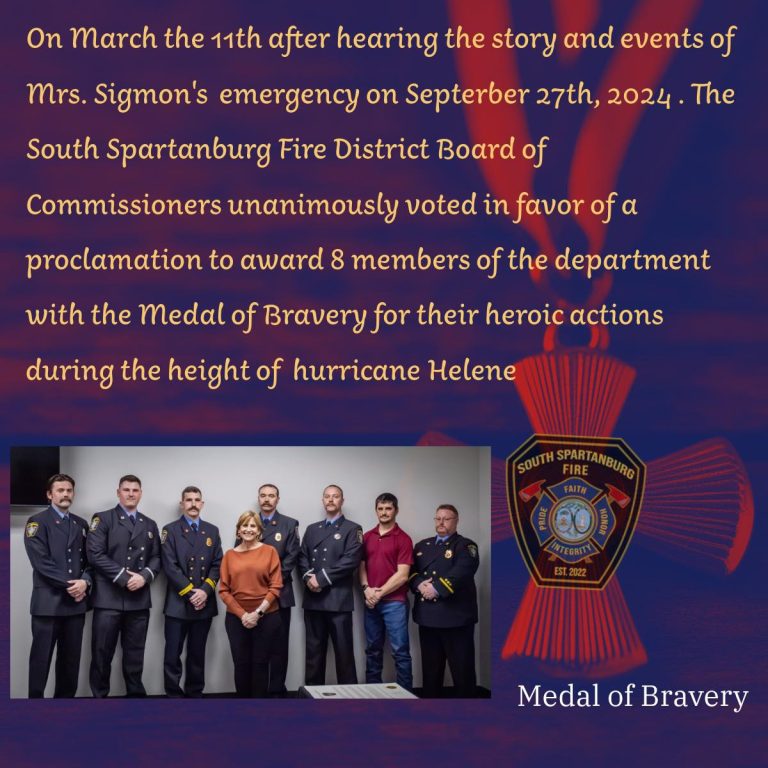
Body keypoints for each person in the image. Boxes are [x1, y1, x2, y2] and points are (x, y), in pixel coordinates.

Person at [87, 474, 161, 697]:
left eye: (135, 490)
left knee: (135, 656)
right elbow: (94, 555)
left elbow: (157, 557)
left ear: (141, 493)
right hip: (108, 599)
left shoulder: (149, 524)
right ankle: (100, 699)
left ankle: (135, 700)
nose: (131, 494)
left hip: (138, 600)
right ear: (118, 492)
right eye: (126, 489)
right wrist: (123, 576)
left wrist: (145, 576)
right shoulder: (103, 519)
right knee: (101, 655)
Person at [24, 473, 91, 698]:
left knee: (70, 665)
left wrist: (86, 582)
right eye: (60, 490)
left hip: (75, 606)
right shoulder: (36, 522)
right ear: (49, 494)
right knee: (40, 662)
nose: (65, 494)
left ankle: (64, 712)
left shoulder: (81, 524)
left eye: (69, 490)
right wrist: (73, 586)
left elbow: (91, 562)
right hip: (48, 605)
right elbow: (42, 563)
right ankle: (34, 713)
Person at [410, 504, 479, 698]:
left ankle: (469, 715)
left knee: (462, 672)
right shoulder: (422, 546)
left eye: (446, 519)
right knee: (431, 673)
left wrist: (436, 589)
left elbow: (463, 572)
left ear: (456, 521)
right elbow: (412, 571)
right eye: (438, 518)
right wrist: (419, 585)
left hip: (456, 618)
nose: (441, 522)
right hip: (428, 618)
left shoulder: (466, 545)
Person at [160, 486, 223, 697]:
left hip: (204, 603)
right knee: (172, 654)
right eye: (189, 500)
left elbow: (217, 563)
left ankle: (195, 694)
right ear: (182, 504)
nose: (193, 504)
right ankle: (174, 697)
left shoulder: (212, 530)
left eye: (197, 500)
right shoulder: (170, 530)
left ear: (202, 504)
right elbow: (170, 566)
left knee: (197, 653)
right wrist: (191, 593)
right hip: (178, 604)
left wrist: (205, 591)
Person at [299, 484, 363, 685]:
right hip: (313, 599)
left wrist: (321, 579)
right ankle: (312, 698)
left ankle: (349, 701)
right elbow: (302, 557)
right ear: (322, 500)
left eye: (335, 496)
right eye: (327, 496)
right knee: (313, 654)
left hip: (338, 601)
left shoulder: (353, 529)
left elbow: (351, 560)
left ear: (342, 501)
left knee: (344, 655)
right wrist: (310, 579)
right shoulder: (312, 529)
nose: (331, 500)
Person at [219, 511, 283, 697]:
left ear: (259, 530)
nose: (248, 529)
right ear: (238, 531)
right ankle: (243, 710)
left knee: (261, 664)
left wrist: (258, 613)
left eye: (252, 526)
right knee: (241, 664)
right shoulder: (229, 555)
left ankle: (260, 711)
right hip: (236, 619)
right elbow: (223, 590)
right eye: (244, 525)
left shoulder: (270, 551)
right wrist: (243, 615)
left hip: (267, 617)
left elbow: (276, 585)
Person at [360, 492, 414, 690]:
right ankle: (373, 694)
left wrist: (378, 593)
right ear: (376, 511)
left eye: (388, 508)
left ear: (396, 510)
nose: (384, 512)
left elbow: (403, 575)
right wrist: (366, 589)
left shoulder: (404, 539)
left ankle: (406, 696)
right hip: (370, 601)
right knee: (373, 650)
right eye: (380, 509)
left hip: (395, 603)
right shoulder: (366, 537)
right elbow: (361, 566)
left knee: (400, 651)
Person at [256, 483, 299, 696]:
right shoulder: (249, 522)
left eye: (271, 496)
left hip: (280, 594)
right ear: (258, 498)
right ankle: (260, 691)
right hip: (253, 596)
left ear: (277, 499)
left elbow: (292, 557)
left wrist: (272, 583)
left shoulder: (289, 524)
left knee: (279, 648)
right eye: (263, 495)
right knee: (258, 647)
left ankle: (276, 691)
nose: (267, 499)